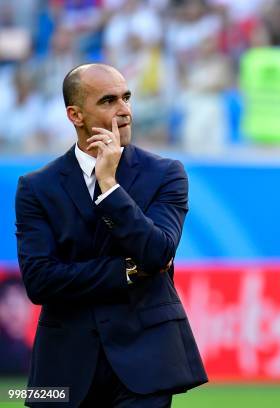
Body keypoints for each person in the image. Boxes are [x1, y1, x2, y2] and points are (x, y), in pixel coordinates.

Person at [15, 63, 207, 407]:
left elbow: (157, 252)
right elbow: (40, 281)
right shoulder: (36, 187)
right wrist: (127, 272)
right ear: (76, 115)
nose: (125, 111)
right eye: (108, 101)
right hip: (64, 367)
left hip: (147, 360)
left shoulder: (166, 174)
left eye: (126, 98)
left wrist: (109, 186)